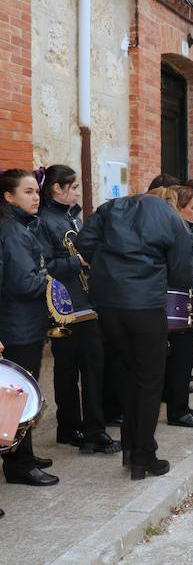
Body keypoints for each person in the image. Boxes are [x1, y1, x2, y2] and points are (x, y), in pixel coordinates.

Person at [77, 187, 193, 480]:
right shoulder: (169, 216)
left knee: (127, 376)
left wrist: (108, 267)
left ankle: (131, 449)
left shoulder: (110, 207)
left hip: (108, 303)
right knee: (149, 382)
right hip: (145, 305)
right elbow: (181, 270)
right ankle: (144, 456)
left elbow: (84, 241)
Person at [37, 165, 119, 454]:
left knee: (91, 369)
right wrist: (79, 261)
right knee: (68, 372)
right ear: (57, 189)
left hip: (86, 303)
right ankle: (73, 428)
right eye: (72, 188)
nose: (76, 193)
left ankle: (89, 428)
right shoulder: (43, 222)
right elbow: (44, 267)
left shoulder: (71, 218)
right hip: (65, 308)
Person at [0, 169, 58, 487]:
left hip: (22, 323)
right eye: (28, 192)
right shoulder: (12, 230)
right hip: (17, 326)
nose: (36, 197)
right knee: (19, 398)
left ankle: (24, 455)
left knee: (24, 394)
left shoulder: (19, 226)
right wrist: (47, 278)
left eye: (37, 191)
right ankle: (19, 466)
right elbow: (22, 283)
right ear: (9, 197)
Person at [162, 186, 193, 429]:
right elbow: (182, 270)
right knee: (180, 359)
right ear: (179, 209)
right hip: (180, 300)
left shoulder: (182, 229)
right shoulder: (179, 230)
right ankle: (177, 411)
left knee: (182, 359)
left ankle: (181, 405)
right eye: (191, 208)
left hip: (185, 297)